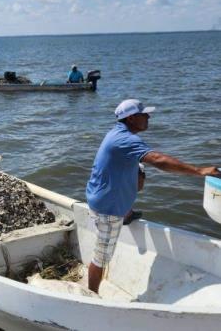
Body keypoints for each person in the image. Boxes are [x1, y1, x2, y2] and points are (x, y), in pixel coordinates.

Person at [85, 99, 220, 294]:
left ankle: (127, 213)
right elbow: (158, 160)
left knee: (138, 169)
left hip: (99, 195)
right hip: (108, 210)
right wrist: (200, 171)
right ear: (131, 118)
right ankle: (91, 296)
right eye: (144, 114)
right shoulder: (126, 140)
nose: (149, 117)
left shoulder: (117, 133)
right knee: (101, 258)